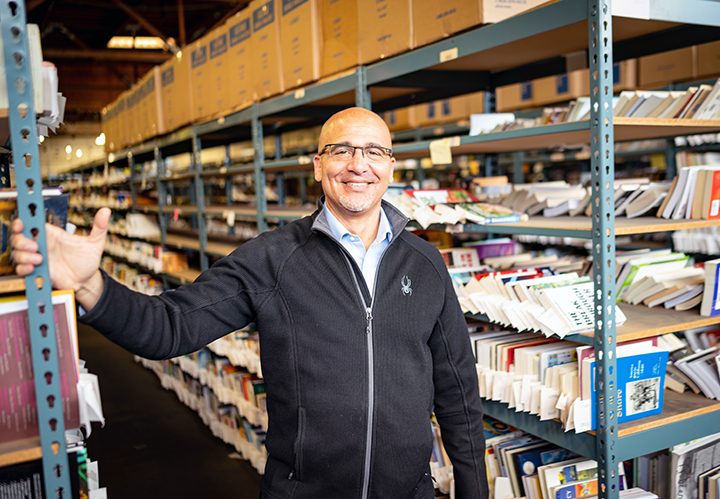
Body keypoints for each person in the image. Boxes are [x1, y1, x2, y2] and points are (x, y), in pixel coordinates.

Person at [11, 108, 488, 499]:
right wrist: (92, 284)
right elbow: (169, 326)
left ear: (390, 165)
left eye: (373, 152)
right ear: (318, 166)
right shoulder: (274, 259)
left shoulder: (425, 264)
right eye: (341, 150)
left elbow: (458, 397)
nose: (357, 164)